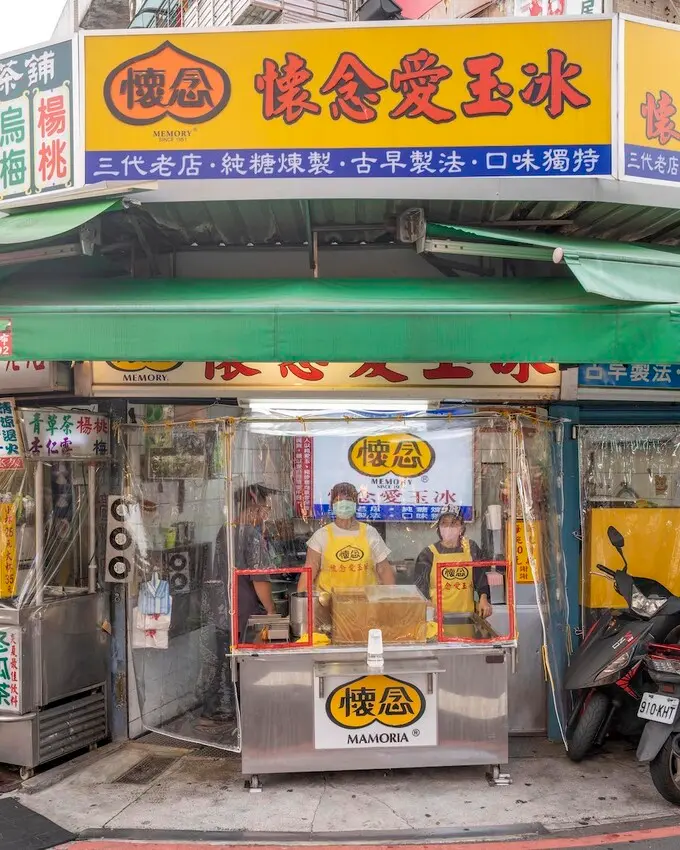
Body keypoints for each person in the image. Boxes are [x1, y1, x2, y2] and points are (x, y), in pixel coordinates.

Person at [200, 482, 276, 725]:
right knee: (243, 663)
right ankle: (242, 713)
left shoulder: (226, 530)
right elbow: (259, 579)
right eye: (264, 507)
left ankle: (213, 710)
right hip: (243, 611)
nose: (265, 512)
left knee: (224, 661)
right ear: (253, 506)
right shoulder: (250, 534)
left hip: (223, 609)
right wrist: (271, 610)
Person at [299, 482, 395, 593]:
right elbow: (309, 571)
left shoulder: (370, 533)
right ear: (332, 505)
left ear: (356, 503)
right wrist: (302, 603)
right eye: (339, 500)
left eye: (349, 499)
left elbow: (383, 569)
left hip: (366, 602)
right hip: (329, 603)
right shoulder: (321, 535)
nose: (344, 504)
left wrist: (391, 598)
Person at [414, 506, 492, 619]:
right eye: (444, 523)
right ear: (439, 528)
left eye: (454, 523)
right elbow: (420, 588)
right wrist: (428, 605)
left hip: (466, 616)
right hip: (437, 619)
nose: (449, 527)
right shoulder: (428, 554)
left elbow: (481, 579)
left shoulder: (471, 548)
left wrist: (483, 599)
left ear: (461, 527)